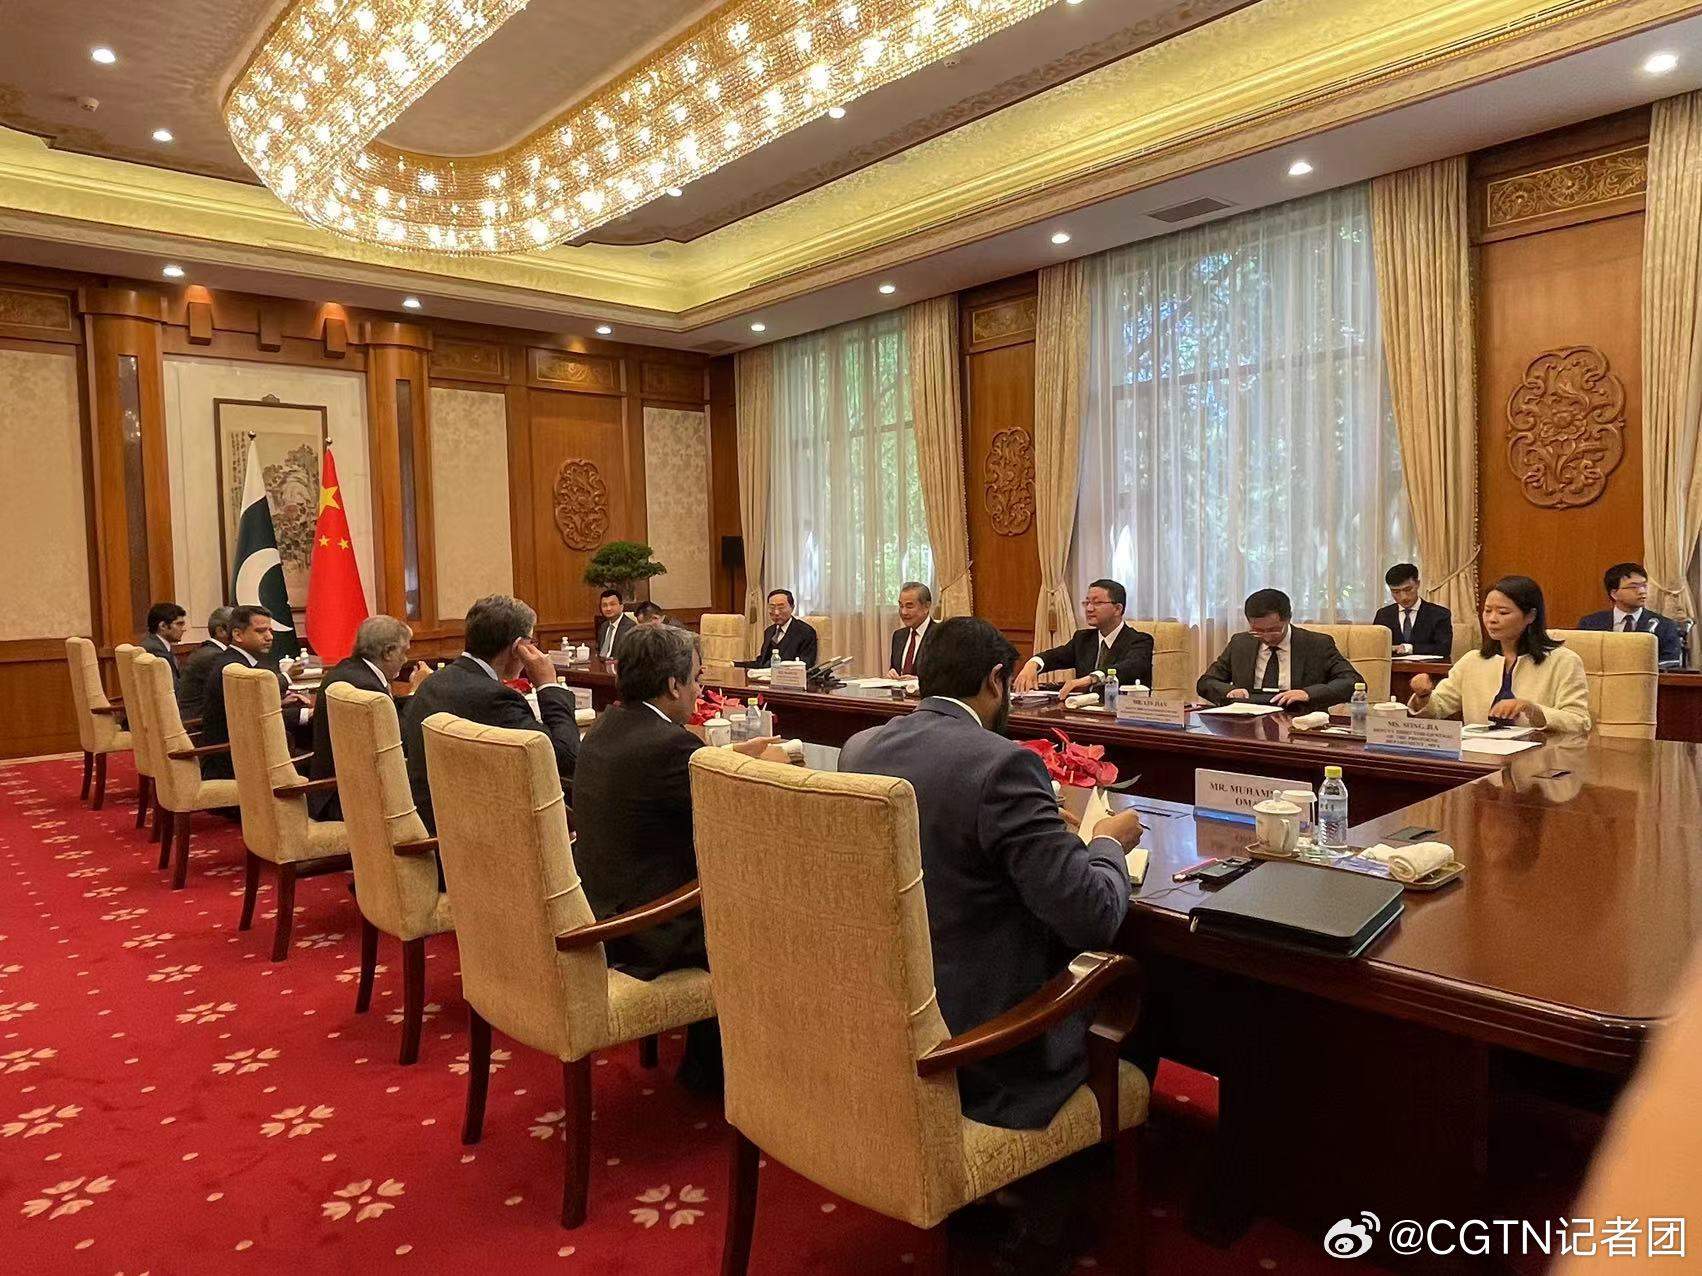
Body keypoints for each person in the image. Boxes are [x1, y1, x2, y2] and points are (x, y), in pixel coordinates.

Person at [840, 617, 1144, 1271]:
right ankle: (1052, 1212)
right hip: (985, 1044)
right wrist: (1104, 845)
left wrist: (1037, 832)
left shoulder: (860, 748)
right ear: (997, 681)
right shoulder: (1002, 763)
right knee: (1134, 991)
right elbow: (1092, 915)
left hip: (891, 1014)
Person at [571, 624, 784, 1095]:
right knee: (768, 909)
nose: (699, 689)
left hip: (604, 907)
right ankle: (735, 1073)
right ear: (672, 685)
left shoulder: (608, 726)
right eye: (696, 678)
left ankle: (713, 1060)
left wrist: (729, 755)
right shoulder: (668, 746)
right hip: (650, 929)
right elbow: (734, 816)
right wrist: (766, 769)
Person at [400, 594, 580, 834]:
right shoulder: (495, 698)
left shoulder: (433, 683)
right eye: (531, 642)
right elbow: (565, 758)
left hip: (436, 822)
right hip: (480, 835)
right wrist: (548, 685)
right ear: (519, 647)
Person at [1407, 575, 1591, 733]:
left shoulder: (1564, 661)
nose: (1492, 619)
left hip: (1538, 757)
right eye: (1487, 611)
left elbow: (1579, 722)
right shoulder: (1472, 661)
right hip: (1480, 756)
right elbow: (1437, 708)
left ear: (1531, 616)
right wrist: (1423, 696)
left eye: (1503, 612)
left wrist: (1533, 710)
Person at [305, 615, 430, 822]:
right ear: (388, 652)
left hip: (331, 793)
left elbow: (389, 710)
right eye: (404, 652)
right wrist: (417, 690)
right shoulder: (366, 686)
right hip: (347, 801)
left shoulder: (348, 670)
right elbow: (401, 739)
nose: (405, 659)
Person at [1197, 588, 1361, 711]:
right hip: (1247, 723)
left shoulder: (1317, 644)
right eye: (1258, 631)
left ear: (1288, 619)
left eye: (1274, 630)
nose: (1267, 638)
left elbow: (1353, 682)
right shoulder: (1241, 643)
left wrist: (1308, 694)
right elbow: (1206, 682)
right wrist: (1230, 691)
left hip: (1299, 721)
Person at [199, 606, 307, 781]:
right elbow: (258, 719)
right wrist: (305, 714)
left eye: (270, 630)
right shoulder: (233, 668)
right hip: (233, 763)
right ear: (238, 635)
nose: (270, 637)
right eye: (260, 631)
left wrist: (280, 702)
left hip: (243, 753)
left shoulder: (238, 660)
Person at [1011, 579, 1153, 696]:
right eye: (1087, 603)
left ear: (1118, 609)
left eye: (1097, 603)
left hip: (1121, 715)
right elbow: (1055, 656)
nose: (1089, 609)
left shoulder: (1140, 641)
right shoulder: (1083, 639)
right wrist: (1032, 664)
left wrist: (1090, 679)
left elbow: (1127, 668)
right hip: (1082, 714)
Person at [1576, 562, 1683, 667]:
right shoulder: (1590, 624)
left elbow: (1670, 664)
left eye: (1644, 585)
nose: (1642, 591)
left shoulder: (1664, 626)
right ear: (1614, 594)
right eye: (1633, 587)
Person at [1373, 563, 1453, 658]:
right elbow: (1375, 647)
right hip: (1392, 667)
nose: (1403, 597)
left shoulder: (1440, 614)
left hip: (1429, 666)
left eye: (1408, 589)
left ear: (1417, 584)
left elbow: (1444, 649)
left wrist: (1409, 648)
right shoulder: (1383, 615)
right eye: (1396, 592)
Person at [177, 607, 233, 723]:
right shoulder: (214, 656)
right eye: (238, 628)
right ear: (221, 631)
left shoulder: (207, 651)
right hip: (196, 723)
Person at [748, 589, 818, 667]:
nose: (776, 612)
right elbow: (762, 662)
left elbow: (806, 664)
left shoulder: (806, 632)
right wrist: (738, 665)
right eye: (772, 608)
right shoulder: (769, 631)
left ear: (792, 608)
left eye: (781, 607)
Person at [885, 581, 935, 678]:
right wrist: (892, 675)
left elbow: (947, 677)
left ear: (926, 606)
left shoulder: (941, 636)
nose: (903, 612)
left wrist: (918, 681)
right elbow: (895, 669)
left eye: (909, 606)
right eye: (901, 606)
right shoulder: (898, 636)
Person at [141, 602, 188, 692]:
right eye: (179, 624)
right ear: (163, 626)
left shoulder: (157, 644)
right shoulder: (154, 649)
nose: (184, 629)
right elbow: (174, 687)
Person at [593, 589, 636, 660]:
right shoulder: (603, 626)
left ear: (621, 607)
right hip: (602, 664)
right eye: (604, 605)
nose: (608, 608)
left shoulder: (631, 628)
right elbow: (598, 650)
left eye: (612, 604)